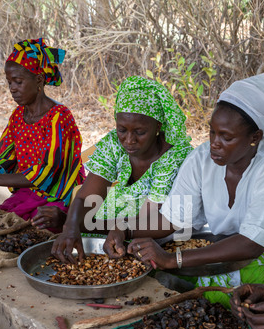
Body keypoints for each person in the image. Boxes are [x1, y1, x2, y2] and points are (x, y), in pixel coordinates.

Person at [104, 71, 264, 306]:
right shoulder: (202, 158)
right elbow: (172, 219)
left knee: (221, 290)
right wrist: (125, 230)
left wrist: (173, 259)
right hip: (221, 248)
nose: (214, 143)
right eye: (212, 131)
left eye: (226, 137)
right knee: (146, 270)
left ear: (255, 137)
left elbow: (251, 244)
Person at [51, 75, 194, 263]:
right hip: (117, 227)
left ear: (158, 126)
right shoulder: (114, 143)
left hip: (159, 236)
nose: (129, 140)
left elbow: (148, 221)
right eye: (122, 130)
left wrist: (73, 222)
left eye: (140, 132)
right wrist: (71, 225)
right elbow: (87, 196)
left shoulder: (174, 158)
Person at [0, 38, 85, 232]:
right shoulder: (18, 116)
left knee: (35, 229)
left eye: (18, 81)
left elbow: (48, 173)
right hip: (28, 193)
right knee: (1, 223)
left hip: (58, 195)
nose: (12, 88)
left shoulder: (59, 118)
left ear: (39, 80)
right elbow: (2, 156)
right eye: (9, 82)